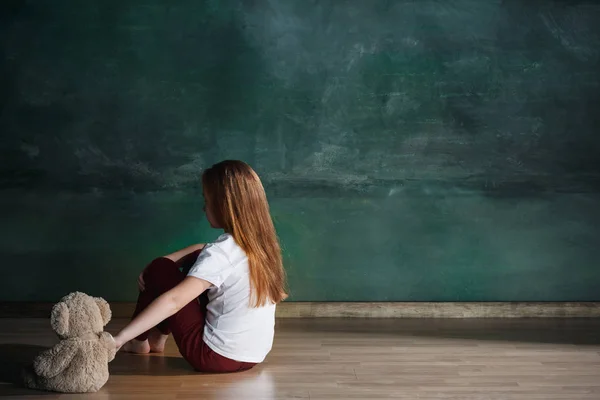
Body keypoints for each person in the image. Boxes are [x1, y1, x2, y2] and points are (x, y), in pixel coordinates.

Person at [112, 160, 288, 373]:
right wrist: (175, 256)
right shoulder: (264, 245)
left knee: (160, 269)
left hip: (213, 356)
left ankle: (138, 341)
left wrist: (119, 338)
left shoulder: (221, 252)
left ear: (224, 205)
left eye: (207, 200)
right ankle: (157, 339)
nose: (204, 207)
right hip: (253, 356)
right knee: (194, 260)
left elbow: (174, 301)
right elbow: (205, 250)